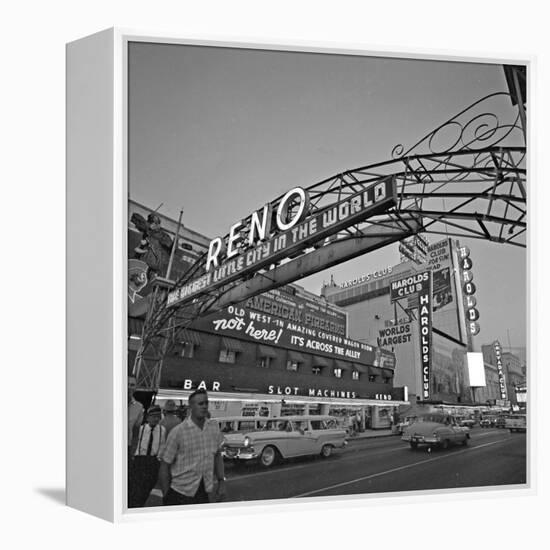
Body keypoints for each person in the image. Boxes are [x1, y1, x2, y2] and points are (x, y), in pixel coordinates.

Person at [159, 389, 226, 506]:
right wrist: (166, 496)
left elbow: (217, 455)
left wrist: (221, 482)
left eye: (206, 403)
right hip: (180, 492)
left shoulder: (214, 427)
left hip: (205, 491)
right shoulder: (178, 432)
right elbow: (165, 465)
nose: (204, 406)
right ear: (191, 407)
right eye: (200, 404)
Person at [129, 405, 166, 507]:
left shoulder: (162, 430)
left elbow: (162, 445)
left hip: (153, 462)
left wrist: (158, 459)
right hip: (140, 461)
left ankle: (140, 505)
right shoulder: (141, 429)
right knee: (136, 488)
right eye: (153, 416)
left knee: (147, 488)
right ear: (148, 417)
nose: (156, 419)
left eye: (158, 416)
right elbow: (134, 443)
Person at [128, 375, 144, 459]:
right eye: (127, 384)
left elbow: (135, 432)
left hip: (127, 447)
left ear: (135, 387)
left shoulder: (138, 407)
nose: (129, 387)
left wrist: (132, 452)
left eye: (132, 385)